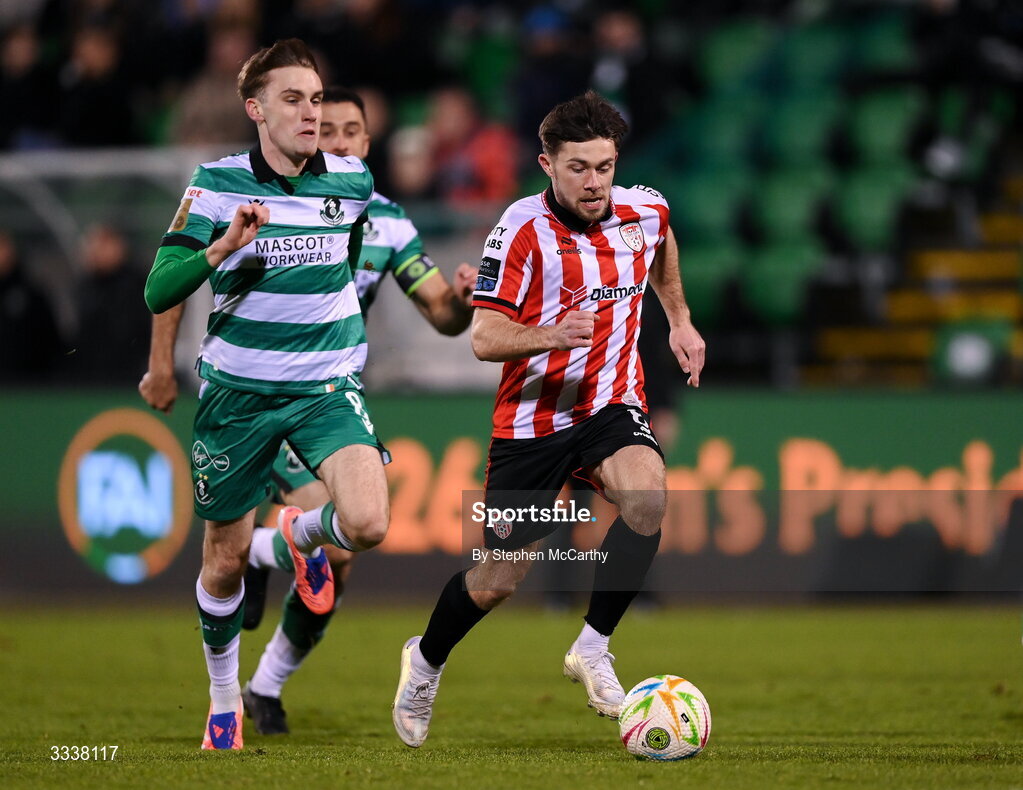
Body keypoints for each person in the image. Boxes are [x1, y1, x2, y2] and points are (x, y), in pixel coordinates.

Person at [140, 84, 477, 738]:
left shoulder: (384, 220)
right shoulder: (261, 196)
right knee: (279, 541)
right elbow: (176, 282)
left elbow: (440, 314)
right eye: (330, 131)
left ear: (366, 147)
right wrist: (160, 363)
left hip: (326, 388)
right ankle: (264, 564)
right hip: (253, 384)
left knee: (345, 552)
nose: (340, 142)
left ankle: (264, 680)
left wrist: (463, 300)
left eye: (353, 132)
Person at [391, 90, 706, 748]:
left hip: (610, 407)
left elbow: (663, 243)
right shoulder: (520, 229)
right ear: (546, 164)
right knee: (498, 578)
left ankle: (592, 647)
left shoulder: (642, 209)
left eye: (604, 166)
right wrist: (550, 334)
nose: (594, 182)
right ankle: (424, 661)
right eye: (578, 169)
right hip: (531, 424)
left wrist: (678, 319)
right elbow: (482, 337)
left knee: (647, 496)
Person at [143, 39, 391, 751]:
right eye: (293, 99)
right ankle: (225, 702)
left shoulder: (350, 181)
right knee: (221, 561)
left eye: (316, 99)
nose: (310, 113)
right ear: (255, 108)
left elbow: (341, 267)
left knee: (369, 524)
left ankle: (293, 535)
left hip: (323, 389)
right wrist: (219, 249)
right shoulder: (215, 184)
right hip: (238, 398)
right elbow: (159, 289)